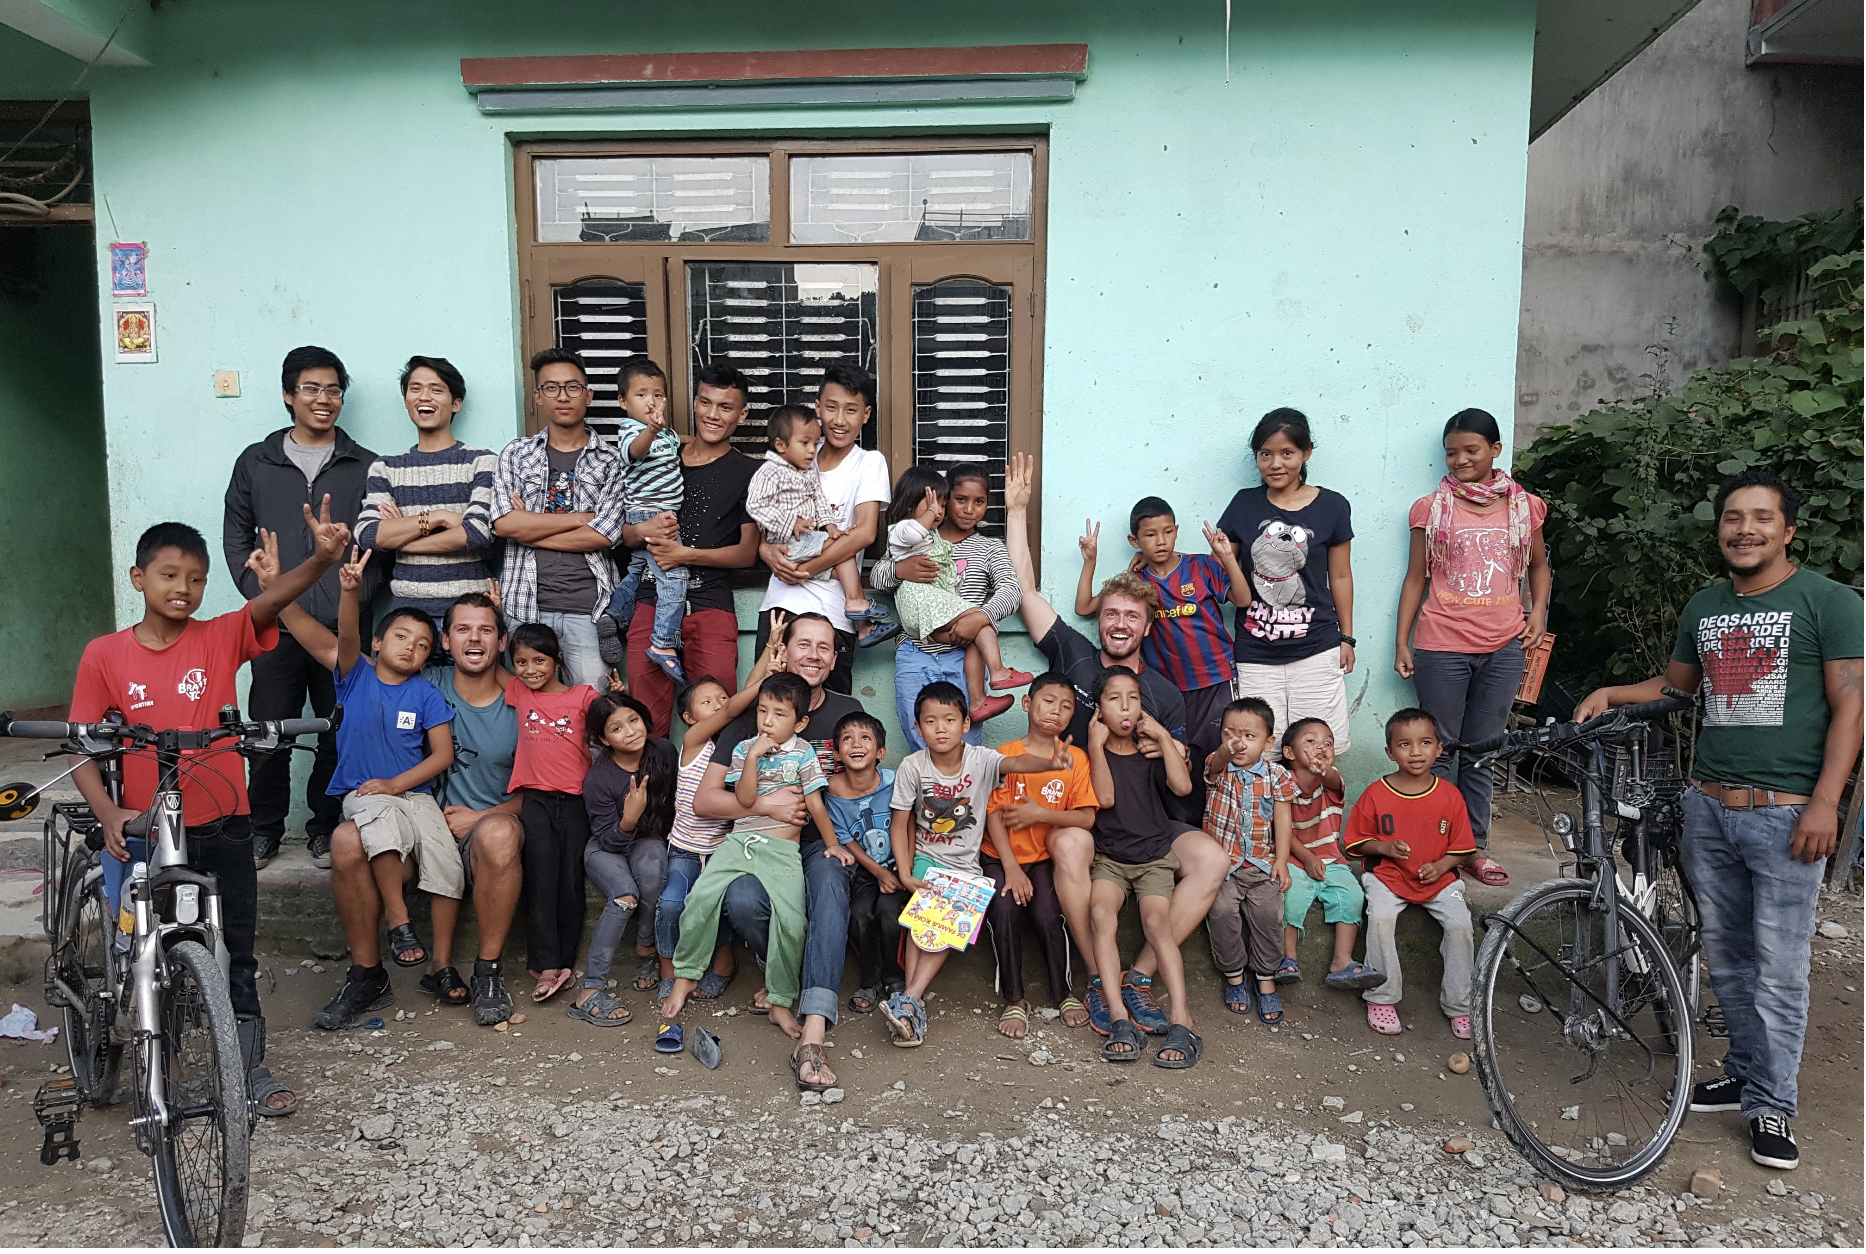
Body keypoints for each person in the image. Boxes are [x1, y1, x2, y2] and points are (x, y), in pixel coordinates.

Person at [1574, 468, 1862, 1171]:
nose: (1745, 529)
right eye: (1734, 517)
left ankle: (1773, 1105)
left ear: (1788, 531)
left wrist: (1827, 799)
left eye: (1761, 517)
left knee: (1781, 967)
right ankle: (1742, 1070)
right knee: (1727, 957)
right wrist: (1612, 690)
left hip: (1787, 812)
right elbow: (1677, 689)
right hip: (1711, 806)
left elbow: (1852, 702)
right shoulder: (1707, 605)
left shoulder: (1829, 602)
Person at [70, 509, 349, 1118]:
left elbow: (271, 601)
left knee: (234, 950)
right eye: (169, 575)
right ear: (138, 578)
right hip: (148, 829)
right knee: (148, 944)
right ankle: (161, 1056)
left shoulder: (219, 637)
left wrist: (323, 561)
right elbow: (85, 748)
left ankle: (248, 1068)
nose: (183, 589)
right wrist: (110, 812)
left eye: (196, 579)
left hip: (226, 821)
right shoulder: (104, 655)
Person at [1005, 453, 1226, 1036]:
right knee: (1073, 842)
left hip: (1148, 827)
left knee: (1210, 859)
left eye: (1132, 614)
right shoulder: (1073, 656)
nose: (1119, 622)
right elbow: (1024, 588)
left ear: (1148, 625)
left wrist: (1162, 744)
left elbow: (1175, 779)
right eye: (1110, 613)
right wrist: (1017, 512)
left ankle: (1138, 975)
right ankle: (1097, 982)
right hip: (1087, 818)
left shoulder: (1162, 694)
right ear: (1098, 617)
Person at [272, 547, 459, 1030]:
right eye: (400, 637)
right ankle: (397, 925)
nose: (411, 649)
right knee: (368, 825)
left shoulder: (426, 694)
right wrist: (349, 591)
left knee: (443, 856)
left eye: (422, 645)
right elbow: (342, 633)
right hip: (367, 794)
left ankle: (441, 965)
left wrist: (398, 783)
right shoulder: (354, 676)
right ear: (378, 643)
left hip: (411, 795)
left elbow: (441, 755)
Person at [691, 611, 866, 1090]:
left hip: (821, 843)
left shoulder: (847, 710)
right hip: (759, 842)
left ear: (834, 659)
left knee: (831, 884)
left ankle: (813, 1027)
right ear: (781, 651)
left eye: (824, 647)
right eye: (802, 643)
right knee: (744, 900)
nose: (813, 654)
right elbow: (705, 799)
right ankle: (780, 977)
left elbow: (864, 779)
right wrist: (767, 803)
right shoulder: (756, 711)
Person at [223, 345, 383, 870]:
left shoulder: (365, 465)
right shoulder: (256, 461)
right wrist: (266, 602)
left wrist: (353, 599)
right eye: (311, 389)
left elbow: (380, 544)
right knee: (268, 734)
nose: (324, 399)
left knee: (340, 730)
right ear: (289, 396)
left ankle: (324, 825)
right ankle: (263, 829)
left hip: (342, 629)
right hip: (274, 630)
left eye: (334, 390)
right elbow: (235, 541)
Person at [1394, 408, 1550, 888]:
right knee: (1437, 752)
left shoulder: (1525, 508)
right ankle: (1432, 847)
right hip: (1441, 644)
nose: (1460, 460)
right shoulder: (1430, 508)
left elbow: (1540, 566)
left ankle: (1473, 848)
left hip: (1504, 646)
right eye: (1451, 453)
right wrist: (1402, 640)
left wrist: (1538, 612)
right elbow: (1417, 576)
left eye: (1471, 451)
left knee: (1483, 751)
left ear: (1495, 451)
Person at [660, 672, 849, 1057]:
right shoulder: (745, 747)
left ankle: (779, 1001)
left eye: (778, 714)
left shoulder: (804, 754)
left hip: (781, 852)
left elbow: (814, 804)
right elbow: (745, 799)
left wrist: (833, 846)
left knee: (792, 924)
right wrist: (753, 757)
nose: (766, 721)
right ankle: (685, 976)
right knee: (700, 900)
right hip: (738, 843)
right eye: (763, 711)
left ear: (799, 723)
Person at [880, 682, 1073, 1049]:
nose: (940, 728)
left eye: (949, 719)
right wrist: (905, 872)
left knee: (941, 919)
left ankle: (909, 1000)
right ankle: (911, 1004)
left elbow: (1016, 763)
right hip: (925, 859)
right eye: (930, 721)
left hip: (967, 868)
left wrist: (1049, 763)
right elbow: (900, 823)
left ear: (965, 723)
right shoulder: (911, 767)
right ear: (917, 728)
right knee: (926, 924)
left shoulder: (982, 759)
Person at [613, 364, 761, 735]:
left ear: (742, 415)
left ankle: (712, 793)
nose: (713, 415)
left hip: (710, 603)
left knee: (718, 719)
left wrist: (685, 555)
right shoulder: (656, 451)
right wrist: (639, 530)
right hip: (650, 597)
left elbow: (746, 554)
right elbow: (621, 533)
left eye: (726, 407)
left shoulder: (749, 472)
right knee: (645, 723)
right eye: (706, 403)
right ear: (694, 404)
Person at [1216, 408, 1357, 759]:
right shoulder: (1243, 504)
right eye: (1266, 454)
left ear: (1306, 452)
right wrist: (1160, 559)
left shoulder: (1333, 506)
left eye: (1287, 453)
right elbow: (1222, 569)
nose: (1275, 463)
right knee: (1260, 755)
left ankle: (1314, 816)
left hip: (1317, 649)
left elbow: (1340, 576)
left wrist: (1347, 637)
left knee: (1318, 754)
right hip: (1256, 654)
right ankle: (1271, 816)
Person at [1076, 495, 1250, 771]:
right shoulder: (1138, 581)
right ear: (1135, 541)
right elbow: (1084, 607)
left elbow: (1242, 599)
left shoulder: (1201, 566)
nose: (1161, 541)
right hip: (1171, 687)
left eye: (1168, 532)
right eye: (1150, 535)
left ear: (1177, 532)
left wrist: (1228, 558)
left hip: (1216, 679)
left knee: (1223, 753)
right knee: (1181, 757)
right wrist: (1090, 561)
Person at [1082, 668, 1202, 1068]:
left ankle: (1183, 1020)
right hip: (1110, 859)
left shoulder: (1152, 749)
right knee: (1101, 914)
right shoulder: (1089, 755)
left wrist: (1165, 737)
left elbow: (1183, 788)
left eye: (1133, 698)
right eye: (1114, 699)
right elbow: (1106, 798)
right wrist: (1094, 746)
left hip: (1153, 857)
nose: (1126, 707)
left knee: (1156, 923)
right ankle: (1118, 1016)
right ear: (1098, 709)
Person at [654, 633, 781, 1002]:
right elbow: (737, 706)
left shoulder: (739, 749)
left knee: (720, 902)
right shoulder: (694, 743)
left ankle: (724, 964)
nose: (720, 705)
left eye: (722, 698)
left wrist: (769, 652)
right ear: (689, 718)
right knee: (674, 903)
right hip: (685, 849)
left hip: (723, 849)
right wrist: (766, 659)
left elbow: (745, 696)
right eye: (707, 702)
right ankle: (669, 968)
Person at [490, 348, 626, 690]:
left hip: (590, 610)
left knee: (595, 715)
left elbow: (605, 535)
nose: (562, 396)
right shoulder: (516, 455)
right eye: (551, 388)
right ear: (538, 396)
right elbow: (504, 524)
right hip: (524, 606)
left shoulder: (611, 460)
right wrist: (580, 518)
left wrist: (528, 527)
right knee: (531, 715)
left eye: (572, 387)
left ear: (588, 395)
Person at [753, 366, 894, 692]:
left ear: (866, 414)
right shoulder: (796, 453)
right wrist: (764, 549)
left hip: (833, 610)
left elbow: (864, 533)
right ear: (818, 408)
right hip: (781, 606)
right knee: (771, 706)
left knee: (829, 713)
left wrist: (804, 569)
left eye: (851, 409)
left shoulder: (868, 463)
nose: (840, 420)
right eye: (831, 408)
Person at [1342, 709, 1476, 1041]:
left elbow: (1464, 849)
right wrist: (1384, 848)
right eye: (1404, 744)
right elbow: (1354, 844)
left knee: (1460, 925)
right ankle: (1382, 997)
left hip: (1439, 878)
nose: (1415, 752)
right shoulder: (1377, 793)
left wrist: (1442, 865)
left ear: (1439, 748)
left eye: (1425, 743)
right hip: (1387, 876)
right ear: (1390, 752)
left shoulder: (1450, 795)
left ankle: (1460, 1004)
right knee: (1381, 917)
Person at [869, 460, 1021, 752]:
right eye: (960, 500)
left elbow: (1012, 591)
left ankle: (965, 797)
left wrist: (979, 619)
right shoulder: (913, 538)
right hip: (915, 652)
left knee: (966, 739)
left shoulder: (990, 548)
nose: (968, 509)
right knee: (919, 736)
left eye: (979, 502)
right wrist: (901, 570)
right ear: (943, 499)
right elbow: (878, 576)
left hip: (964, 659)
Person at [426, 593, 527, 1025]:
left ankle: (487, 972)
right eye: (463, 629)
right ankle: (367, 974)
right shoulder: (424, 683)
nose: (474, 638)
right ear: (445, 640)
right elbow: (340, 656)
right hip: (422, 828)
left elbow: (546, 793)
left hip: (487, 831)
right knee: (347, 841)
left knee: (499, 834)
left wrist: (481, 817)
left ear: (502, 642)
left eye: (486, 629)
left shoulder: (523, 704)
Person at [982, 672, 1097, 1036]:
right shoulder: (1005, 757)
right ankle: (1015, 1000)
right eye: (1048, 701)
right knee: (1004, 910)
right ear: (1028, 704)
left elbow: (1085, 816)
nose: (1057, 712)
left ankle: (1062, 992)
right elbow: (993, 815)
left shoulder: (1074, 759)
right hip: (1000, 858)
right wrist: (1012, 870)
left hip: (1044, 861)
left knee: (1049, 916)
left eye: (1067, 707)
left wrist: (1039, 814)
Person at [353, 356, 498, 627]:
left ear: (456, 403)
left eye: (436, 389)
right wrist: (437, 517)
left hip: (471, 614)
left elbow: (479, 532)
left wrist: (400, 539)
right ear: (406, 399)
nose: (424, 396)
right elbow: (368, 535)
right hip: (408, 616)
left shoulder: (482, 461)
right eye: (415, 388)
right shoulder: (386, 467)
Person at [505, 622, 601, 1003]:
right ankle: (545, 962)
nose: (530, 669)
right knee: (541, 877)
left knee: (570, 880)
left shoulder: (584, 696)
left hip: (577, 802)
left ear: (558, 659)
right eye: (521, 661)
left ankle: (564, 958)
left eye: (539, 660)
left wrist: (621, 699)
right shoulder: (516, 690)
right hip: (536, 802)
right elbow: (484, 662)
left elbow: (610, 722)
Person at [745, 405, 890, 642]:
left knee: (840, 548)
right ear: (781, 445)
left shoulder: (807, 469)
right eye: (805, 443)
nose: (812, 450)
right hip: (790, 543)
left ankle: (862, 624)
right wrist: (788, 523)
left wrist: (830, 527)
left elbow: (819, 500)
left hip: (805, 549)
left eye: (815, 443)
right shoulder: (770, 472)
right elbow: (755, 506)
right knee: (844, 550)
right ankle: (856, 604)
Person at [575, 692, 676, 1027]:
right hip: (606, 848)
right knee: (624, 895)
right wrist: (629, 817)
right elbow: (608, 839)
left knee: (652, 873)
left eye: (633, 720)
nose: (630, 731)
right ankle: (589, 989)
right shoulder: (599, 778)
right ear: (604, 739)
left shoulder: (663, 751)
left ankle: (645, 949)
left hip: (647, 841)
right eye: (617, 728)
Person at [1200, 697, 1298, 1025]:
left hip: (1261, 863)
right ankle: (1234, 977)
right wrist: (1224, 752)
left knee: (1269, 915)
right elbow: (1213, 765)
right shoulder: (1219, 767)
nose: (1238, 742)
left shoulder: (1277, 775)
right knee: (1222, 911)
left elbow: (1283, 820)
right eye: (1230, 734)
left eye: (1249, 736)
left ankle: (1266, 979)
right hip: (1223, 867)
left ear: (1269, 742)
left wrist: (1281, 861)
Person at [594, 358, 690, 682]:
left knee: (637, 573)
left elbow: (679, 444)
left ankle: (612, 615)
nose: (651, 401)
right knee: (674, 577)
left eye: (658, 395)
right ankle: (663, 643)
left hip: (657, 513)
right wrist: (651, 429)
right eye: (642, 394)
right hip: (651, 514)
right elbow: (635, 451)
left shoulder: (668, 435)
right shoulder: (632, 431)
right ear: (623, 402)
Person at [1276, 717, 1380, 992]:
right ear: (1289, 752)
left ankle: (1341, 962)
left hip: (1331, 858)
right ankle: (1288, 958)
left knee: (1352, 895)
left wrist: (1325, 770)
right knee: (1290, 896)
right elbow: (1281, 831)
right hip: (1291, 857)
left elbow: (1333, 778)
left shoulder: (1331, 783)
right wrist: (1307, 858)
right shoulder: (1279, 784)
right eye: (1310, 741)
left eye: (1328, 743)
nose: (1320, 747)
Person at [823, 711, 903, 1016]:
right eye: (847, 739)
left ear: (880, 752)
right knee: (857, 914)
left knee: (888, 912)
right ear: (837, 751)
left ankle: (894, 978)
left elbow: (906, 824)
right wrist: (878, 871)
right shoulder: (832, 791)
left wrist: (897, 871)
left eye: (865, 738)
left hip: (899, 865)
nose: (856, 744)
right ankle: (869, 980)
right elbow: (847, 840)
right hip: (867, 868)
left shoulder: (895, 781)